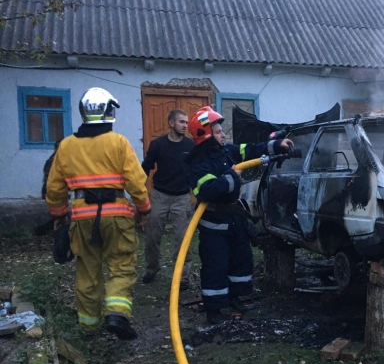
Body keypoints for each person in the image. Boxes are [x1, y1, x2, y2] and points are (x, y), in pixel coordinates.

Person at [46, 87, 151, 340]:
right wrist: (144, 209)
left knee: (87, 269)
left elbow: (55, 187)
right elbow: (136, 181)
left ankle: (89, 326)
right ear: (108, 112)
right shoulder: (119, 143)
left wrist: (59, 215)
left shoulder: (66, 146)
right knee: (121, 264)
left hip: (82, 217)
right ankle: (116, 314)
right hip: (117, 216)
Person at [186, 106, 292, 324]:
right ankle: (214, 309)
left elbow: (250, 150)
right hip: (215, 225)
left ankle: (236, 298)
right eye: (218, 132)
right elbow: (207, 190)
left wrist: (276, 145)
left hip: (235, 219)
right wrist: (233, 176)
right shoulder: (198, 162)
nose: (223, 135)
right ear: (206, 136)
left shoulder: (226, 151)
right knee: (215, 266)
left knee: (241, 260)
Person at [141, 109, 194, 289]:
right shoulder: (158, 144)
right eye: (181, 122)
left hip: (182, 197)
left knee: (183, 238)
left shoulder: (190, 146)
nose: (185, 125)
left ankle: (183, 276)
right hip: (160, 196)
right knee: (152, 237)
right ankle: (151, 269)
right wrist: (139, 191)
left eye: (186, 122)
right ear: (171, 123)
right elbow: (146, 167)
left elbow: (197, 169)